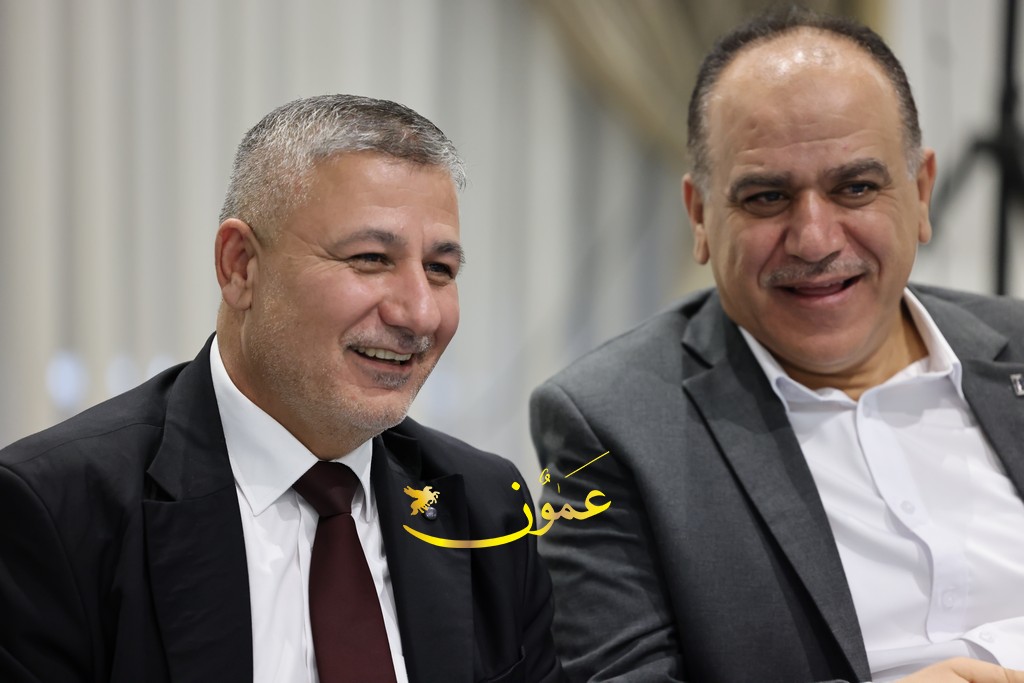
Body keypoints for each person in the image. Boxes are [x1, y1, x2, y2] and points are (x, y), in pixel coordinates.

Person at [530, 8, 1024, 683]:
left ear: (920, 192)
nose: (815, 240)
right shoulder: (612, 423)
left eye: (856, 187)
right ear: (700, 216)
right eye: (767, 197)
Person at [0, 94, 562, 683]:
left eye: (440, 270)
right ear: (240, 266)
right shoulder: (57, 513)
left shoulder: (487, 508)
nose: (420, 314)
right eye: (371, 258)